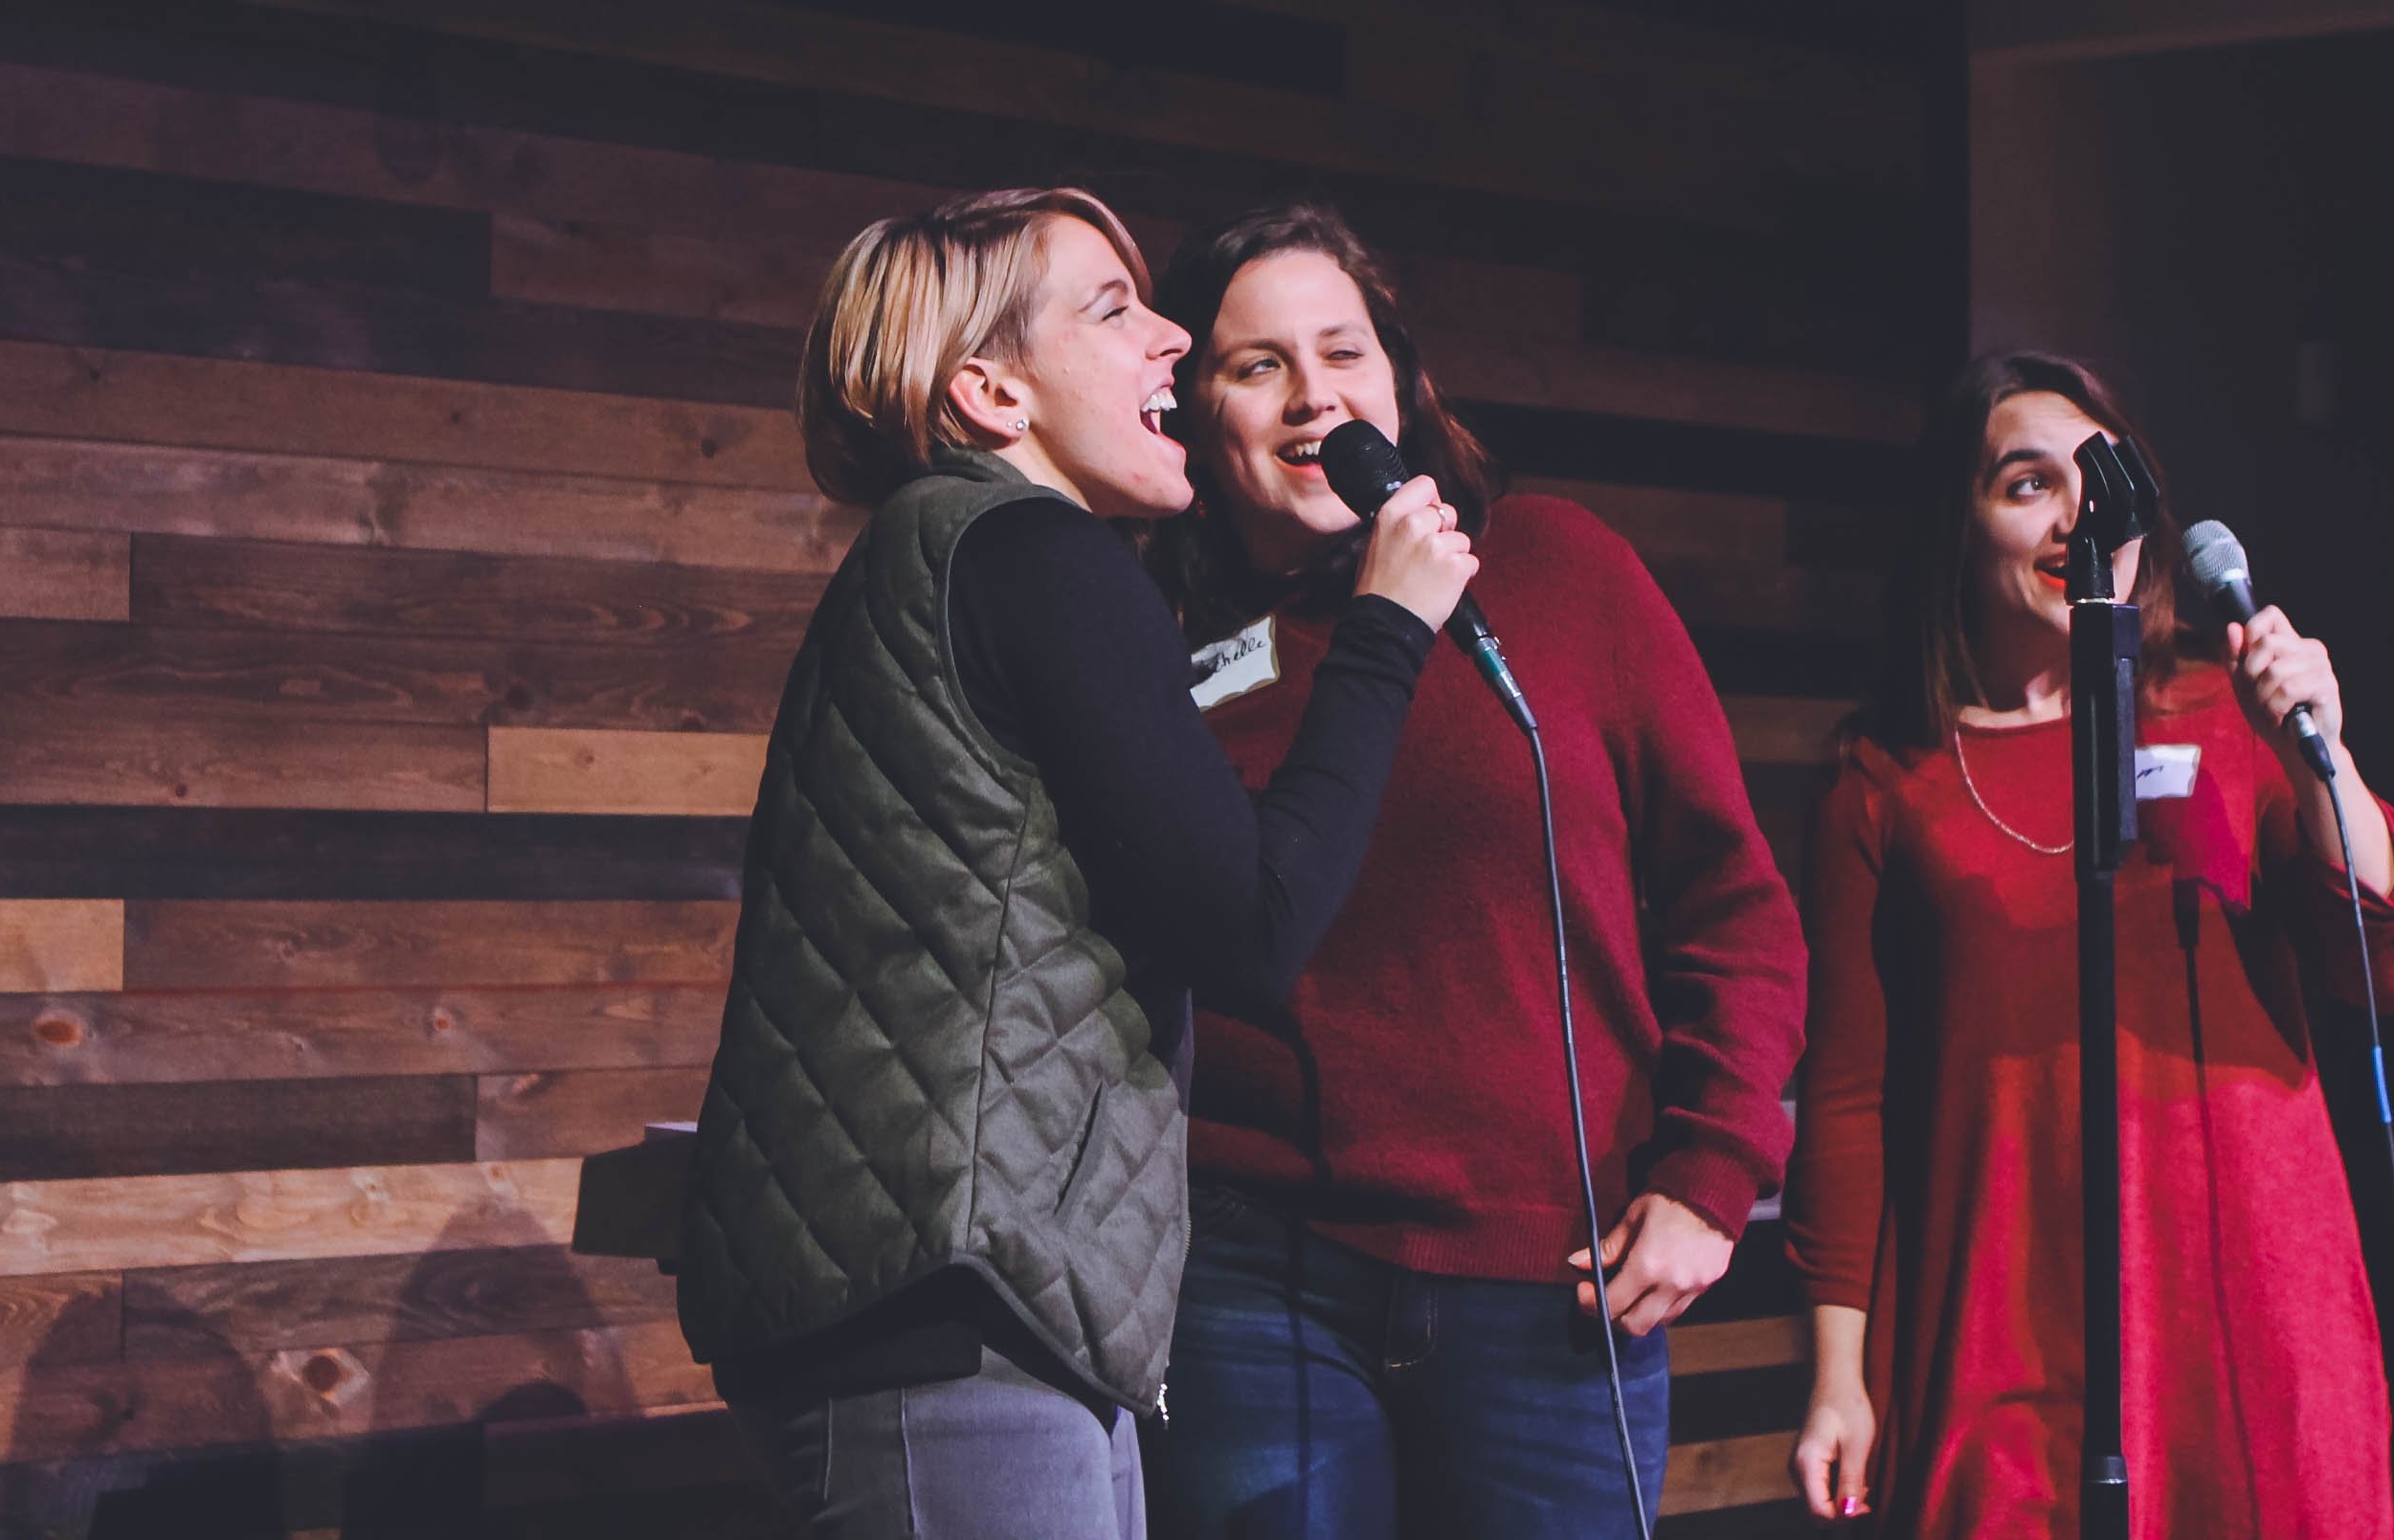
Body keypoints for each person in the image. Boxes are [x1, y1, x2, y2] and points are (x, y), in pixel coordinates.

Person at [676, 188, 1478, 1540]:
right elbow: (1254, 924)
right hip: (958, 1305)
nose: (1172, 338)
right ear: (991, 392)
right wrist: (1390, 628)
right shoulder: (1033, 553)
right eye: (1114, 311)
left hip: (947, 1298)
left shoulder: (944, 552)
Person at [1139, 199, 1809, 1540]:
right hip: (1254, 1280)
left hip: (1550, 1280)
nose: (1314, 394)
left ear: (1400, 381)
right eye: (1259, 364)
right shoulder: (1164, 645)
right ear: (1197, 413)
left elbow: (1734, 905)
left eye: (1344, 352)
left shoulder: (1557, 571)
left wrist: (1712, 1172)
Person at [1783, 351, 2394, 1538]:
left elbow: (2391, 962)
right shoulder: (1886, 783)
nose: (2074, 515)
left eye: (2100, 480)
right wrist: (1838, 1373)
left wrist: (2320, 752)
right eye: (2026, 484)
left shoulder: (2227, 715)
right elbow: (1846, 1100)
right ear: (1959, 526)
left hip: (2248, 1311)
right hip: (2004, 1325)